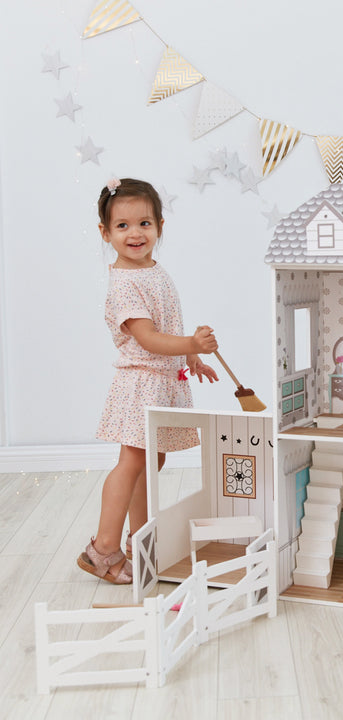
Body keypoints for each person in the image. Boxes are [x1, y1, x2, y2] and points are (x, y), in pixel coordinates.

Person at [77, 177, 219, 584]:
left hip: (162, 380)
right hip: (141, 383)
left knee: (151, 461)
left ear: (159, 226)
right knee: (133, 461)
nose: (134, 234)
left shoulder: (155, 271)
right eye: (122, 226)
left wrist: (191, 355)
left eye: (144, 223)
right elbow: (147, 337)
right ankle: (103, 548)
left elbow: (165, 323)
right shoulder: (124, 284)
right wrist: (189, 341)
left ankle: (139, 539)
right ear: (105, 233)